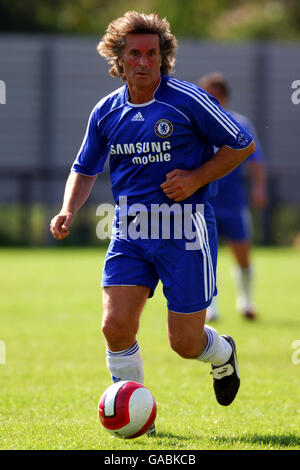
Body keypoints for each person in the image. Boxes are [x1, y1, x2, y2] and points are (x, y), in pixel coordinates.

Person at [50, 12, 255, 428]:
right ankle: (140, 418)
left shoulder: (188, 100)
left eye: (151, 54)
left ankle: (223, 354)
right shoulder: (106, 111)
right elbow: (85, 167)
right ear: (119, 59)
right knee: (115, 325)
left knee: (185, 343)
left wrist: (197, 177)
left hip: (185, 232)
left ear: (163, 58)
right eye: (134, 54)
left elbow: (242, 144)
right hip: (130, 231)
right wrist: (68, 208)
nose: (143, 62)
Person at [198, 73, 267, 321]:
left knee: (242, 253)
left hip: (233, 201)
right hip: (204, 201)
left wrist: (259, 188)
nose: (212, 99)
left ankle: (246, 301)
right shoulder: (196, 124)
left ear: (225, 98)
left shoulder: (239, 123)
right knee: (205, 254)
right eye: (208, 94)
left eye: (217, 95)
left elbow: (256, 161)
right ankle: (210, 307)